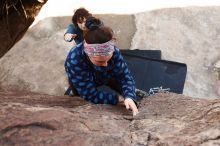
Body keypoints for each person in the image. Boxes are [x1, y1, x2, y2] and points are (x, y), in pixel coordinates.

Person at [64, 18, 139, 116]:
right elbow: (90, 94)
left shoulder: (114, 52)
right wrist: (117, 100)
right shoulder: (74, 60)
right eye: (100, 61)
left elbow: (124, 77)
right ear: (88, 54)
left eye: (108, 59)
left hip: (107, 76)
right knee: (80, 96)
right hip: (84, 77)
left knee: (127, 91)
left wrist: (129, 96)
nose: (106, 65)